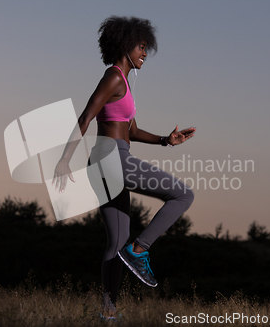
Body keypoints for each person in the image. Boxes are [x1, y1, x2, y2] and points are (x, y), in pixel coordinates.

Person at [52, 16, 195, 320]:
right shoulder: (114, 77)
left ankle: (108, 311)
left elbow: (131, 130)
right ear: (125, 44)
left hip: (107, 159)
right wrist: (65, 159)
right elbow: (85, 117)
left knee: (116, 241)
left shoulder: (124, 83)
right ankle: (141, 250)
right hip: (111, 157)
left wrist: (165, 141)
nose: (145, 53)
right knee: (183, 195)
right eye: (142, 47)